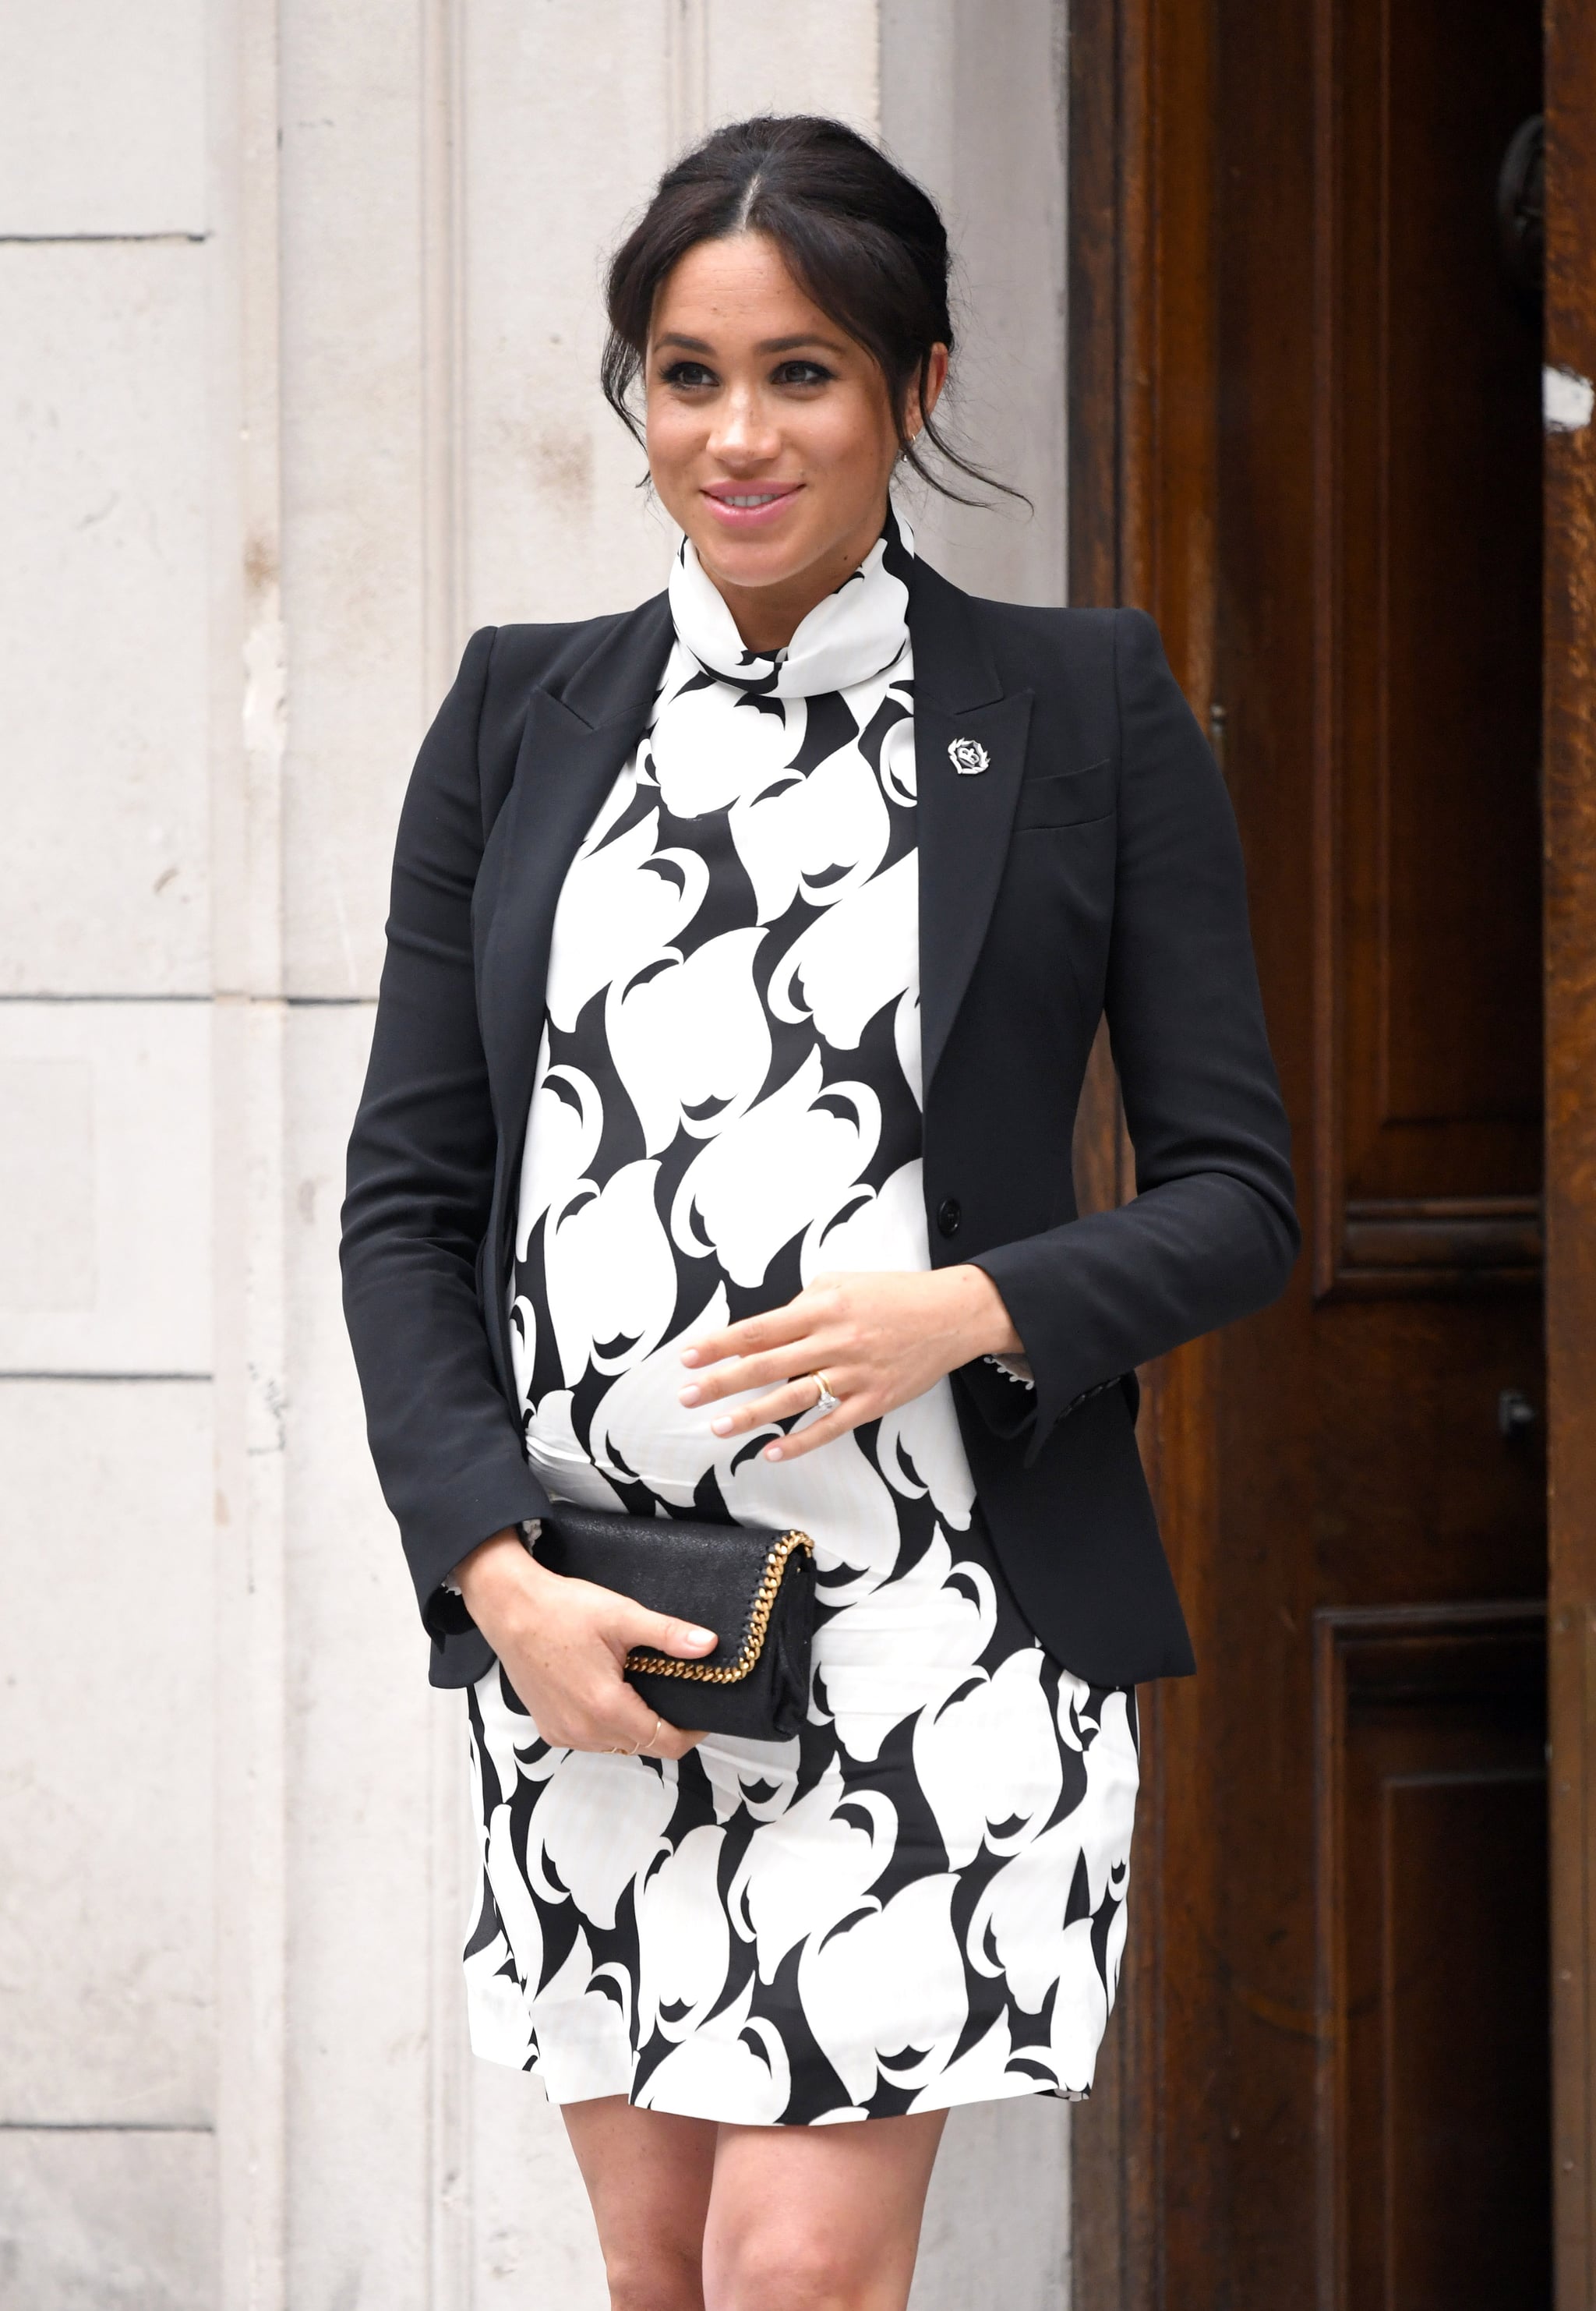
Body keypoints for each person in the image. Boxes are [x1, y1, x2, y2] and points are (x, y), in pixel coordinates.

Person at [341, 111, 1297, 2311]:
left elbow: (1244, 1199)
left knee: (792, 2276)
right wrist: (491, 1573)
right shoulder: (518, 717)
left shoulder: (1076, 712)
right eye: (689, 374)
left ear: (919, 389)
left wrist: (963, 1306)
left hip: (933, 1620)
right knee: (664, 2271)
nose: (737, 434)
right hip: (601, 1632)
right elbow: (410, 1199)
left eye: (804, 375)